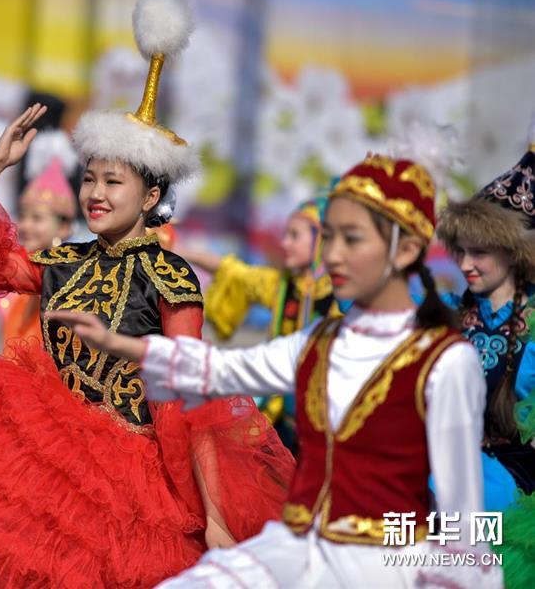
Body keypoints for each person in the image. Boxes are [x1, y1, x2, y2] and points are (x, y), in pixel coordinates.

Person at [0, 0, 293, 586]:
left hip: (126, 483)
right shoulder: (63, 262)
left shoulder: (170, 277)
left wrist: (213, 517)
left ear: (151, 197)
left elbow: (189, 398)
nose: (95, 194)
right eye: (90, 179)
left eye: (113, 182)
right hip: (39, 451)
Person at [52, 152, 501, 588]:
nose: (333, 255)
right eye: (329, 238)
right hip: (300, 545)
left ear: (406, 250)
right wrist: (118, 343)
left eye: (352, 240)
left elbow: (464, 524)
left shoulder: (444, 361)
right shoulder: (323, 341)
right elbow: (220, 370)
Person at [436, 123, 535, 589]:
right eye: (461, 251)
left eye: (479, 252)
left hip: (507, 487)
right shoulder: (450, 313)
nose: (465, 265)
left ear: (514, 253)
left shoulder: (532, 328)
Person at [179, 197, 336, 452]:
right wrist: (181, 251)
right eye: (285, 235)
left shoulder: (341, 298)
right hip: (281, 413)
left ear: (320, 241)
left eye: (295, 236)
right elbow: (234, 272)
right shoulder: (281, 286)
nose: (285, 244)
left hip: (322, 422)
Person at [0, 129, 77, 352]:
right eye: (22, 216)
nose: (25, 226)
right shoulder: (11, 268)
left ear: (64, 227)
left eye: (37, 218)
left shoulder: (69, 277)